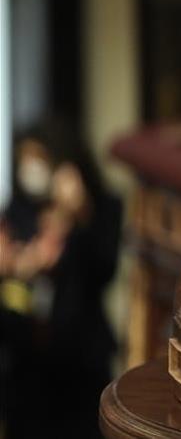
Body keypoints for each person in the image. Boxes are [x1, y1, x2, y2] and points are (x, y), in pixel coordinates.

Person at [0, 120, 122, 439]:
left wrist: (78, 216)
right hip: (27, 365)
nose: (30, 168)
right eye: (24, 159)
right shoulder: (18, 209)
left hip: (81, 363)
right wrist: (22, 262)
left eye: (38, 158)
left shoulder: (101, 208)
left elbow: (103, 271)